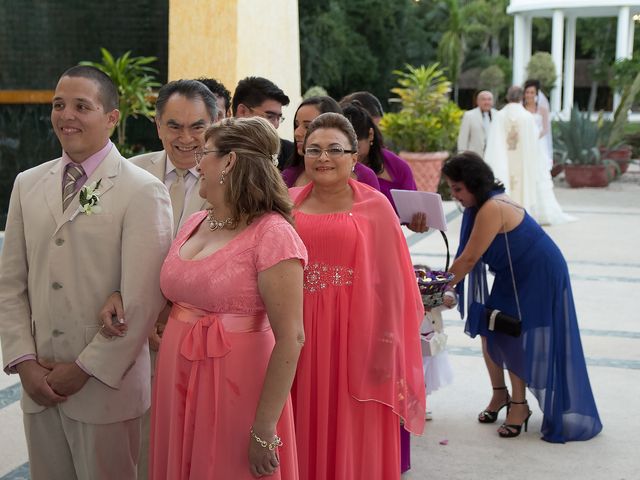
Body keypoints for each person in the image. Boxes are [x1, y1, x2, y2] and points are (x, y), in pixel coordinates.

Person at [0, 65, 173, 479]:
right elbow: (10, 285)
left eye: (82, 106)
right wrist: (24, 362)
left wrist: (83, 369)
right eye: (59, 105)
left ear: (112, 118)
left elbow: (142, 298)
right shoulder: (27, 183)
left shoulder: (142, 190)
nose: (66, 115)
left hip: (104, 388)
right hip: (39, 383)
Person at [149, 116, 307, 479]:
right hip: (177, 377)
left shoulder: (273, 234)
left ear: (230, 162)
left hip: (237, 386)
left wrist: (265, 430)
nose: (196, 163)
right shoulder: (195, 222)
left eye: (205, 153)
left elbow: (292, 337)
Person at [290, 112, 426, 479]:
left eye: (335, 150)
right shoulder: (286, 204)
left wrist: (385, 347)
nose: (323, 158)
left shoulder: (376, 207)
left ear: (354, 157)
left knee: (351, 426)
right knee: (300, 421)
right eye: (314, 149)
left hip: (355, 338)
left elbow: (393, 288)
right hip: (295, 336)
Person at [101, 78, 218, 480]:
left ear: (215, 124)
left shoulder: (235, 183)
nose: (185, 139)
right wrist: (121, 294)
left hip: (203, 337)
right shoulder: (129, 173)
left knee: (199, 443)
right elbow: (110, 250)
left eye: (198, 127)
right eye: (174, 126)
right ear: (157, 125)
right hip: (134, 336)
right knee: (143, 445)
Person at [442, 152, 602, 443]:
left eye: (457, 189)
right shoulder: (481, 206)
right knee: (488, 328)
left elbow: (467, 260)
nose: (455, 196)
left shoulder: (492, 207)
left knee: (510, 335)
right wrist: (444, 284)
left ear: (474, 185)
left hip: (537, 272)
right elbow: (467, 259)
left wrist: (436, 289)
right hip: (513, 274)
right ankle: (500, 395)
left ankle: (519, 406)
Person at [280, 96, 380, 190]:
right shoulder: (288, 177)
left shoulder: (365, 177)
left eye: (307, 126)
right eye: (296, 125)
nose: (297, 133)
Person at [523, 80, 575, 225]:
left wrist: (533, 138)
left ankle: (543, 213)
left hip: (537, 146)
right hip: (524, 147)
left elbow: (545, 129)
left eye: (532, 92)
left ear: (537, 94)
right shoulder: (521, 108)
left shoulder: (542, 109)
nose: (529, 95)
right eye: (527, 92)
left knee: (539, 177)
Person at [483, 86, 538, 213]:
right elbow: (533, 143)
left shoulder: (499, 116)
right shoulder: (527, 117)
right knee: (521, 189)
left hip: (503, 161)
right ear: (521, 97)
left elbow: (493, 142)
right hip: (522, 162)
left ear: (508, 96)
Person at [232, 76, 293, 169]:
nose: (276, 125)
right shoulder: (218, 149)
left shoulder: (289, 154)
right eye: (270, 117)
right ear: (242, 111)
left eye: (279, 118)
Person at [457, 90, 496, 157]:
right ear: (477, 101)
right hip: (474, 156)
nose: (487, 102)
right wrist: (462, 155)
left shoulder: (498, 115)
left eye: (489, 99)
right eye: (483, 99)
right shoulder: (469, 115)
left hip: (493, 156)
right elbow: (463, 138)